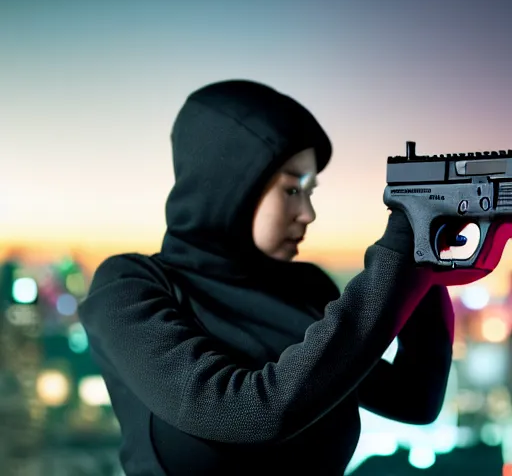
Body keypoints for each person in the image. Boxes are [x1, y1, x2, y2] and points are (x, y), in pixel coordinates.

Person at [78, 80, 459, 475]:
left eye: (311, 191)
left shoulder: (306, 289)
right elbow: (243, 412)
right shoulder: (128, 287)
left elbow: (413, 399)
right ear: (230, 182)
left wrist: (426, 260)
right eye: (292, 188)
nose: (308, 213)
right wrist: (396, 259)